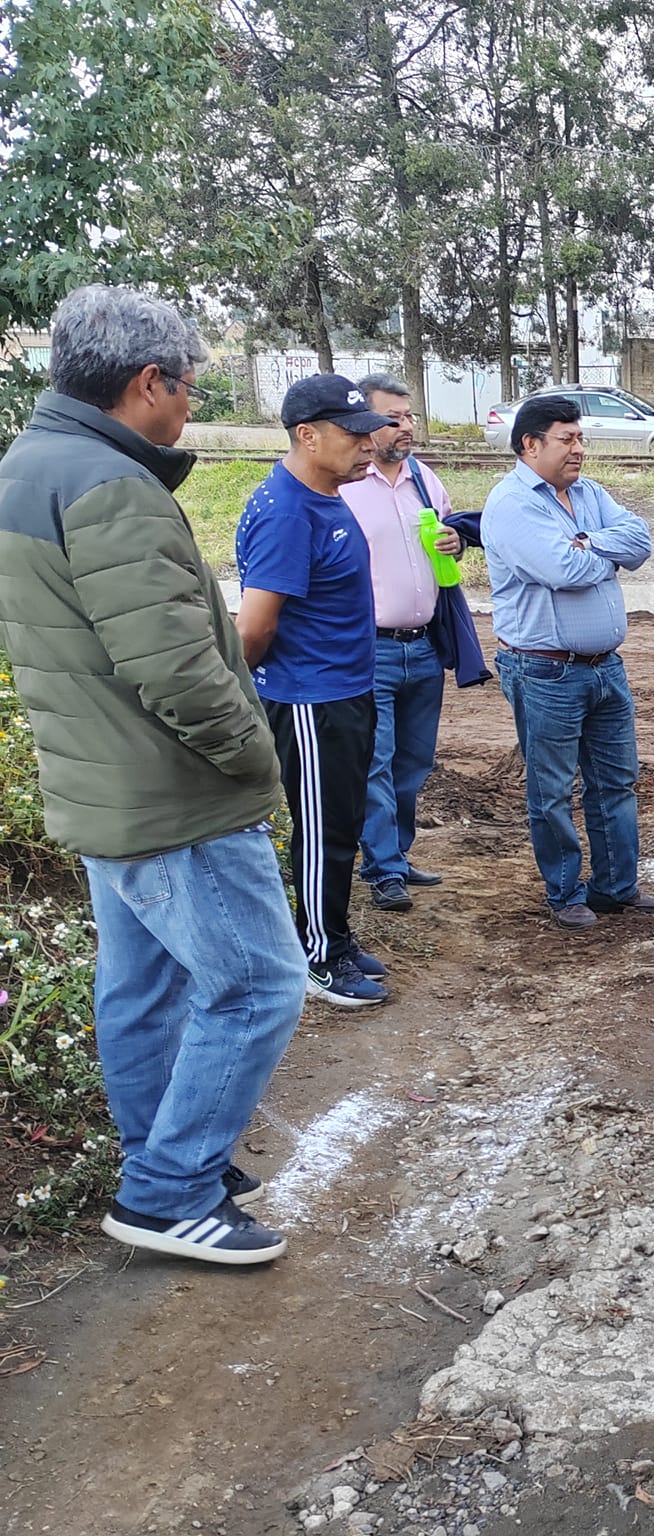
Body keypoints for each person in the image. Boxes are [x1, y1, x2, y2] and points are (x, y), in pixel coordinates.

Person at [0, 285, 304, 1263]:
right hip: (174, 796)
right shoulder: (110, 488)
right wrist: (256, 762)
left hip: (107, 787)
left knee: (143, 987)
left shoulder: (30, 466)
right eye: (186, 389)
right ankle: (168, 1193)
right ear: (146, 382)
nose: (188, 409)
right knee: (259, 984)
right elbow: (173, 666)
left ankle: (164, 1161)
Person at [236, 374, 393, 1008]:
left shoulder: (328, 496)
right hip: (310, 699)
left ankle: (335, 934)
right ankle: (320, 957)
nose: (366, 444)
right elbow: (254, 627)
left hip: (343, 690)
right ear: (308, 435)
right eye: (352, 434)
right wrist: (257, 689)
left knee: (343, 822)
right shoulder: (286, 512)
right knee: (323, 829)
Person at [482, 394, 654, 929]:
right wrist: (592, 555)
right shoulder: (512, 503)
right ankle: (565, 894)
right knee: (553, 790)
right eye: (568, 438)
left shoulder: (588, 493)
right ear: (530, 445)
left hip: (605, 666)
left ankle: (615, 888)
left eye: (580, 437)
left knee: (616, 781)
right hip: (544, 670)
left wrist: (587, 542)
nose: (579, 448)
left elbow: (639, 542)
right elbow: (564, 570)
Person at [338, 371, 465, 914]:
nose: (406, 426)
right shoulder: (344, 486)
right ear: (365, 424)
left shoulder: (425, 482)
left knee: (414, 762)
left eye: (409, 415)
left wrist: (456, 544)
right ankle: (383, 866)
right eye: (394, 417)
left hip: (424, 647)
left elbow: (443, 547)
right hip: (371, 647)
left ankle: (398, 853)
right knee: (376, 761)